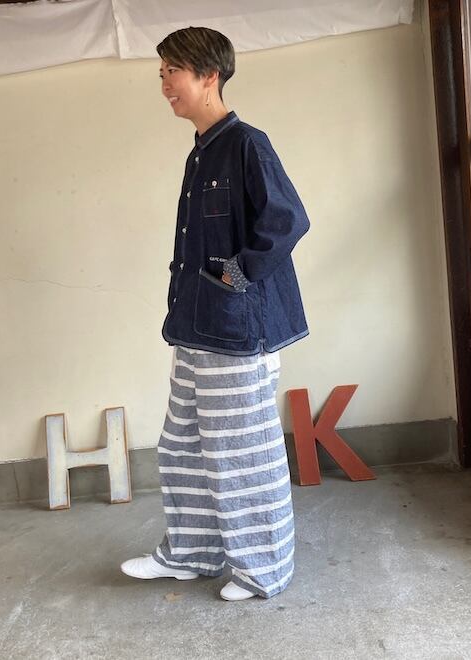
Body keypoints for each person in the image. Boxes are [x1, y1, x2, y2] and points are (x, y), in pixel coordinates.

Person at [120, 26, 310, 601]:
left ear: (209, 75)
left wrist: (236, 275)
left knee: (241, 453)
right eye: (161, 74)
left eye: (172, 72)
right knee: (182, 445)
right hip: (195, 327)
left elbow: (287, 219)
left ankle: (263, 570)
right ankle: (192, 554)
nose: (164, 85)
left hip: (234, 329)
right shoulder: (202, 149)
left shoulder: (247, 143)